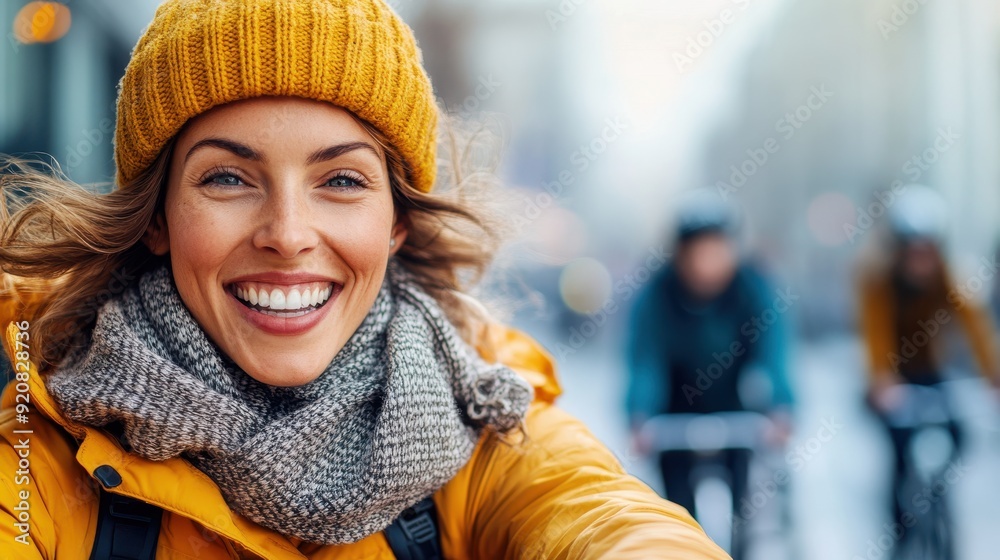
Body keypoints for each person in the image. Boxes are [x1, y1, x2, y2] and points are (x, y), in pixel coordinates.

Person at [0, 1, 731, 558]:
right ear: (157, 217)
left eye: (341, 180)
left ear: (395, 223)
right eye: (227, 178)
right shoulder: (38, 457)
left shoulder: (483, 422)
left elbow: (601, 517)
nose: (287, 234)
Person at [626, 192, 794, 558]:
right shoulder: (656, 294)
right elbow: (645, 361)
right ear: (680, 254)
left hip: (736, 407)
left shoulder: (753, 288)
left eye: (717, 249)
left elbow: (774, 352)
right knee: (680, 518)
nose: (708, 262)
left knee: (745, 512)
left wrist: (781, 405)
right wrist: (639, 414)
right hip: (673, 410)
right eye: (698, 251)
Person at [858, 185, 1000, 556]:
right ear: (898, 250)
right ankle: (899, 536)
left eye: (928, 250)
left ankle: (940, 491)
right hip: (894, 379)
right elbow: (876, 334)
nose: (921, 260)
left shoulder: (950, 277)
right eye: (913, 251)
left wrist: (995, 376)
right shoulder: (877, 282)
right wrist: (882, 379)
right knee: (900, 454)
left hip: (933, 373)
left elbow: (976, 327)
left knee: (960, 433)